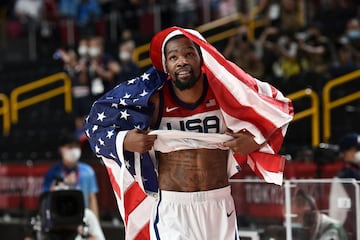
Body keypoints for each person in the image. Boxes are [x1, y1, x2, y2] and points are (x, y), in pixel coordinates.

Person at [84, 26, 293, 239]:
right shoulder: (155, 99)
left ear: (201, 58)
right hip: (174, 207)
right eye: (173, 57)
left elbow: (278, 108)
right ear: (166, 65)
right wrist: (124, 139)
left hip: (219, 203)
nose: (181, 61)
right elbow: (95, 125)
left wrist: (256, 140)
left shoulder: (225, 93)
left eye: (188, 54)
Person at [41, 133, 100, 219]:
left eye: (76, 147)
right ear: (61, 149)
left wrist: (95, 221)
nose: (74, 151)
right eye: (70, 147)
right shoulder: (53, 172)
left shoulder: (88, 171)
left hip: (83, 215)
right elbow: (46, 197)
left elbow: (92, 198)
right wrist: (64, 183)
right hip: (60, 215)